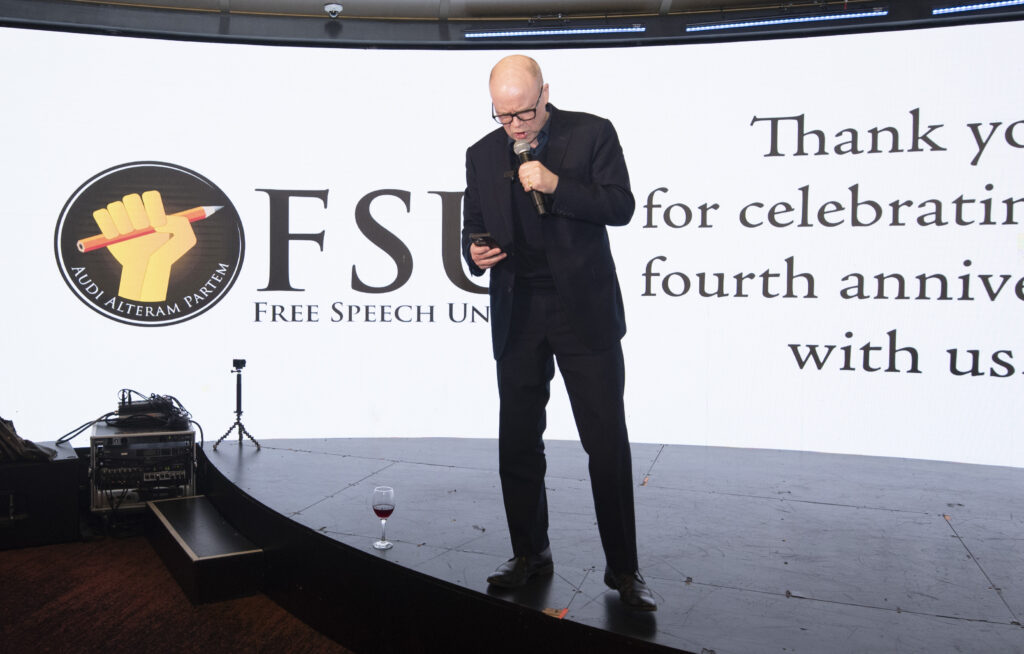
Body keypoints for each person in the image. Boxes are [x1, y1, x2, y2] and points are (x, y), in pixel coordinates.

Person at [461, 55, 656, 611]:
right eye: (503, 116)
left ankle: (624, 570)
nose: (515, 126)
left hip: (583, 311)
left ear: (545, 93)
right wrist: (473, 253)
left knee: (606, 443)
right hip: (519, 310)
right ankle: (530, 554)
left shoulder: (592, 133)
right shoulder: (481, 153)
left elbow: (620, 205)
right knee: (518, 441)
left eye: (524, 113)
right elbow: (472, 226)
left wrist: (556, 184)